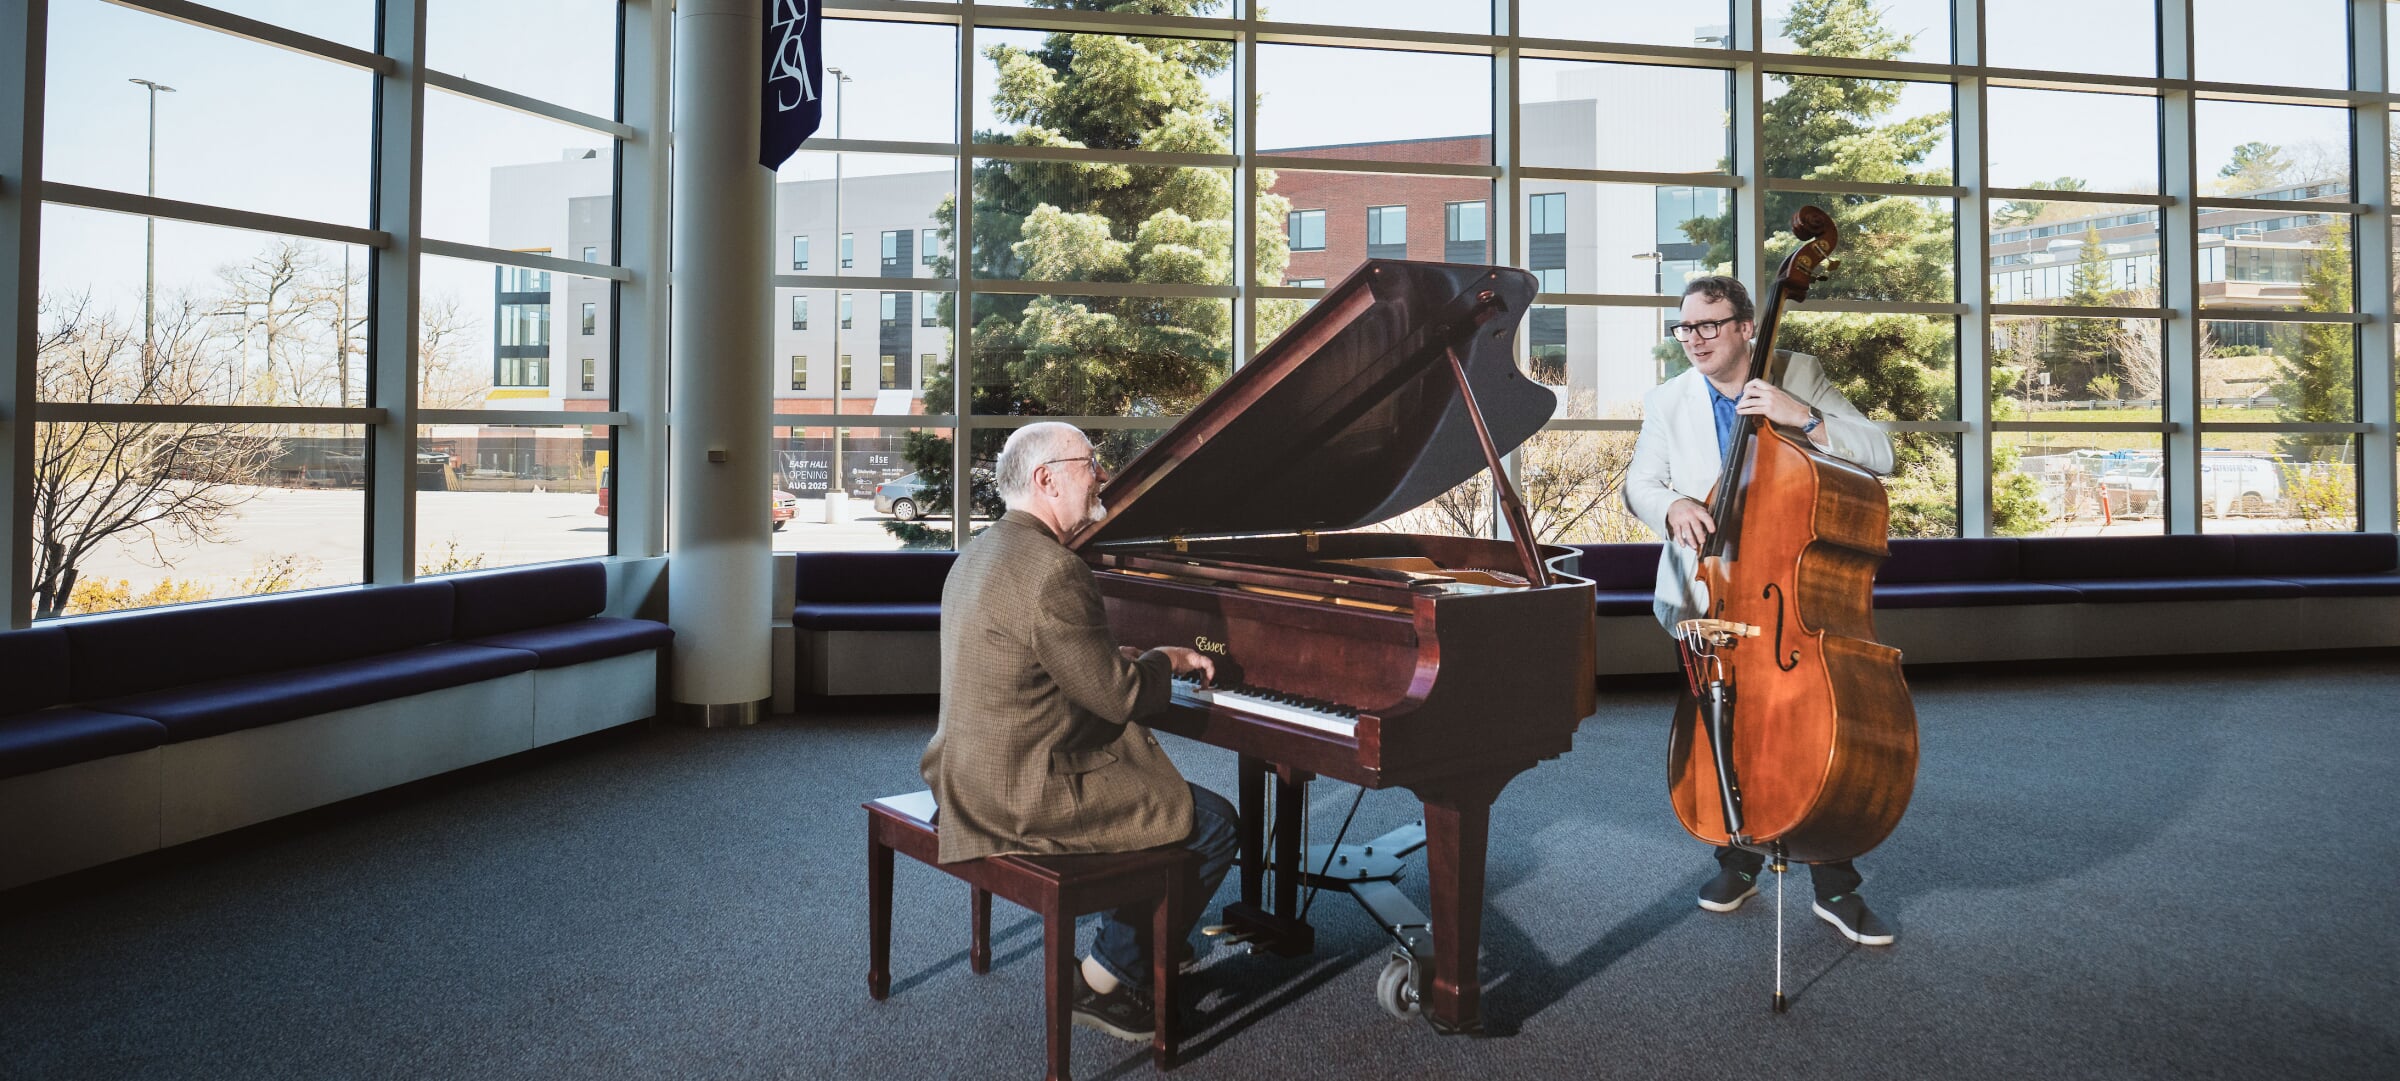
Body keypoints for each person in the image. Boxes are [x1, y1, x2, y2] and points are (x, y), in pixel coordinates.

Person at [919, 421, 1239, 1040]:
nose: (1101, 474)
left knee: (1170, 809)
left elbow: (1036, 659)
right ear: (1046, 478)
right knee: (1217, 822)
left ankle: (1148, 933)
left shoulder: (982, 550)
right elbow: (1120, 698)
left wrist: (1109, 654)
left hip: (966, 773)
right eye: (1089, 462)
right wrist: (1164, 661)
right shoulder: (1056, 571)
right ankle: (1104, 975)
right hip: (1022, 793)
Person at [1624, 275, 1900, 946]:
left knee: (1800, 724)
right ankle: (1738, 856)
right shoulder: (1668, 399)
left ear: (1748, 326)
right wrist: (1673, 506)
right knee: (1725, 718)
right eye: (1684, 328)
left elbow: (1881, 453)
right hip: (1704, 590)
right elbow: (1641, 483)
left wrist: (1800, 415)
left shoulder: (1798, 373)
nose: (1694, 339)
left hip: (1787, 600)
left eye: (1709, 325)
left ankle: (1835, 882)